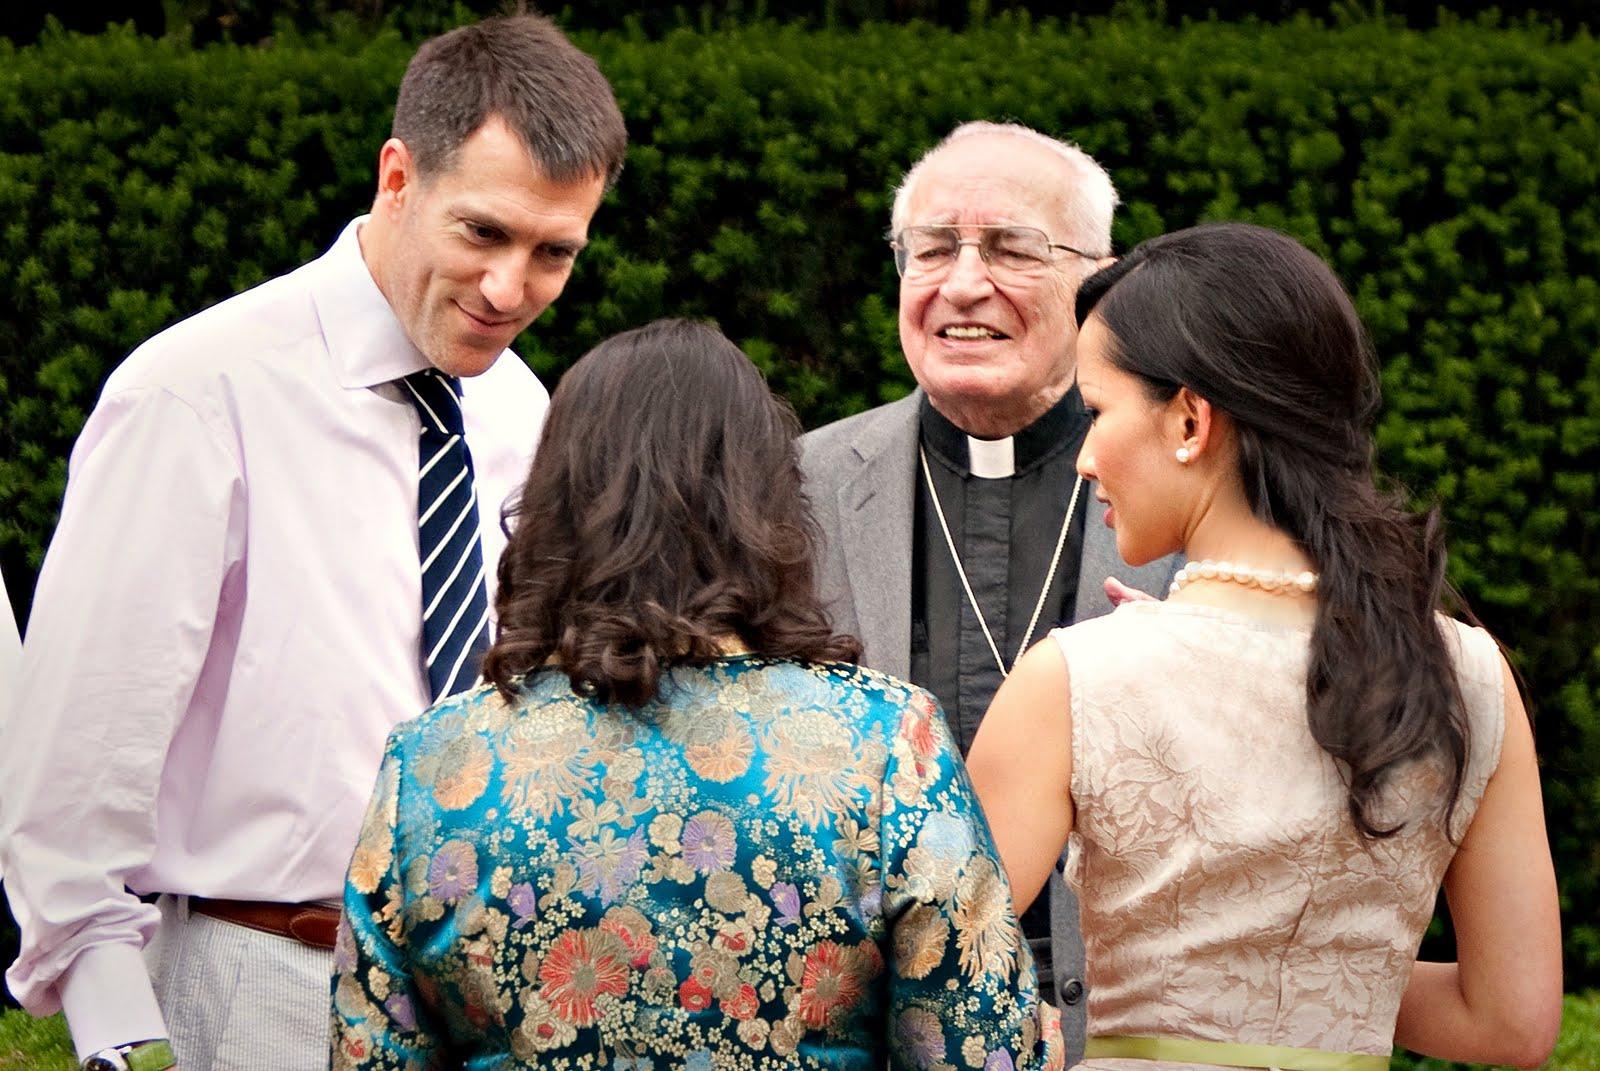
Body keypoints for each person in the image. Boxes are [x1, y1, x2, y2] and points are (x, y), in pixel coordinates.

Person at [0, 15, 626, 1070]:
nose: (511, 290)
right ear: (397, 176)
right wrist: (121, 1037)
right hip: (259, 988)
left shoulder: (522, 412)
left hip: (484, 1001)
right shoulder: (196, 394)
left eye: (552, 252)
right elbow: (76, 759)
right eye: (482, 233)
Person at [329, 318, 1065, 1070]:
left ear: (556, 495)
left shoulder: (428, 765)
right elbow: (979, 1049)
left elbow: (369, 1051)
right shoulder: (886, 743)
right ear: (766, 500)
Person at [966, 222, 1563, 1069]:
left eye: (1096, 413)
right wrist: (1332, 975)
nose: (1085, 458)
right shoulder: (1469, 672)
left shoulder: (1076, 679)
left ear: (1189, 419)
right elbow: (1511, 1022)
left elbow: (940, 988)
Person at [800, 120, 1177, 1049]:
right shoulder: (796, 484)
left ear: (1097, 277)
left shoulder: (1192, 481)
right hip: (870, 1021)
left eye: (1011, 248)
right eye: (931, 249)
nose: (963, 284)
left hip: (1131, 1027)